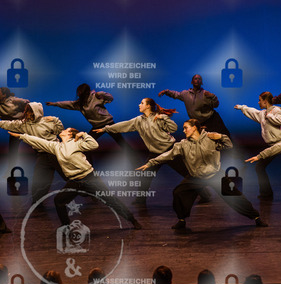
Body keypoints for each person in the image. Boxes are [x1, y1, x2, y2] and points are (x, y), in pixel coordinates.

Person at [137, 119, 268, 229]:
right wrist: (151, 163)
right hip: (196, 177)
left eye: (186, 128)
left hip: (215, 176)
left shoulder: (210, 138)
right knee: (178, 192)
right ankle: (181, 220)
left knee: (235, 197)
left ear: (194, 128)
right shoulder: (182, 145)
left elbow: (228, 146)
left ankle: (256, 217)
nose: (184, 130)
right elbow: (168, 155)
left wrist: (221, 137)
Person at [10, 128, 141, 229]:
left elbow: (94, 145)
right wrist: (21, 136)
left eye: (65, 130)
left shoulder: (76, 143)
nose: (62, 130)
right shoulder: (56, 147)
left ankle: (132, 220)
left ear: (70, 134)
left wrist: (83, 134)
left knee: (110, 200)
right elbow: (38, 141)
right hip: (74, 181)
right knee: (59, 200)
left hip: (90, 178)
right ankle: (66, 226)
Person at [97, 98, 203, 205]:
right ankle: (140, 199)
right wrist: (106, 129)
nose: (139, 105)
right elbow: (124, 125)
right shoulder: (138, 120)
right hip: (155, 154)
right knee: (145, 175)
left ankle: (205, 195)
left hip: (170, 150)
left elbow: (173, 128)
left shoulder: (158, 118)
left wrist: (164, 117)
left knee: (187, 173)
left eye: (142, 103)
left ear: (148, 106)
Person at [0, 102, 66, 205]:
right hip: (42, 155)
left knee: (69, 175)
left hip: (55, 153)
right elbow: (10, 124)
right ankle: (37, 201)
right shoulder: (24, 124)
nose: (26, 113)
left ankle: (83, 188)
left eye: (29, 111)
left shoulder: (47, 122)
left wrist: (55, 120)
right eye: (26, 111)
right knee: (39, 179)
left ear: (35, 112)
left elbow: (60, 131)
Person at [235, 91, 281, 200]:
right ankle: (266, 193)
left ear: (265, 101)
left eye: (260, 100)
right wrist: (242, 107)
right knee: (260, 167)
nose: (258, 102)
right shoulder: (263, 113)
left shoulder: (276, 110)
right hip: (272, 146)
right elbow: (253, 112)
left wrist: (270, 115)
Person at [46, 83, 137, 162]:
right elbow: (68, 104)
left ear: (86, 92)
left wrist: (102, 94)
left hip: (108, 123)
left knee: (121, 142)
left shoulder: (96, 97)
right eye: (79, 93)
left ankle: (135, 160)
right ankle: (89, 167)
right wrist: (55, 104)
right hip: (97, 126)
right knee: (85, 144)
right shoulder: (80, 104)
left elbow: (111, 98)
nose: (79, 94)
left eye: (81, 92)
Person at [158, 74, 231, 136]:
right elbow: (175, 94)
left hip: (212, 120)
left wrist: (213, 96)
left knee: (224, 137)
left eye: (199, 79)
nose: (197, 80)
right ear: (192, 82)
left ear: (201, 82)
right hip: (199, 124)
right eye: (195, 79)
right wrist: (166, 91)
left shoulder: (205, 94)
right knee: (206, 142)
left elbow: (215, 105)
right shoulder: (185, 94)